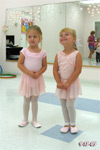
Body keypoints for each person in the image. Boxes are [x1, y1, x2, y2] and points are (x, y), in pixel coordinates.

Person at [53, 28, 82, 134]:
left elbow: (78, 70)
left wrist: (68, 82)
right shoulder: (58, 54)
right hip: (61, 83)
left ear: (74, 39)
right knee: (63, 104)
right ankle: (66, 123)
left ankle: (73, 123)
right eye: (61, 35)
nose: (63, 36)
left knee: (70, 105)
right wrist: (58, 82)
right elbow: (55, 69)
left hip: (72, 83)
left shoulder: (77, 54)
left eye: (66, 34)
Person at [17, 25, 47, 128]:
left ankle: (34, 120)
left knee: (34, 100)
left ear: (40, 38)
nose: (32, 39)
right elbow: (20, 64)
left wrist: (39, 73)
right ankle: (25, 119)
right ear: (27, 38)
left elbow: (44, 66)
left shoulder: (42, 53)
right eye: (29, 36)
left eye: (35, 36)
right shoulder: (24, 51)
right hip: (27, 79)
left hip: (37, 79)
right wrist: (29, 73)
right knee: (26, 100)